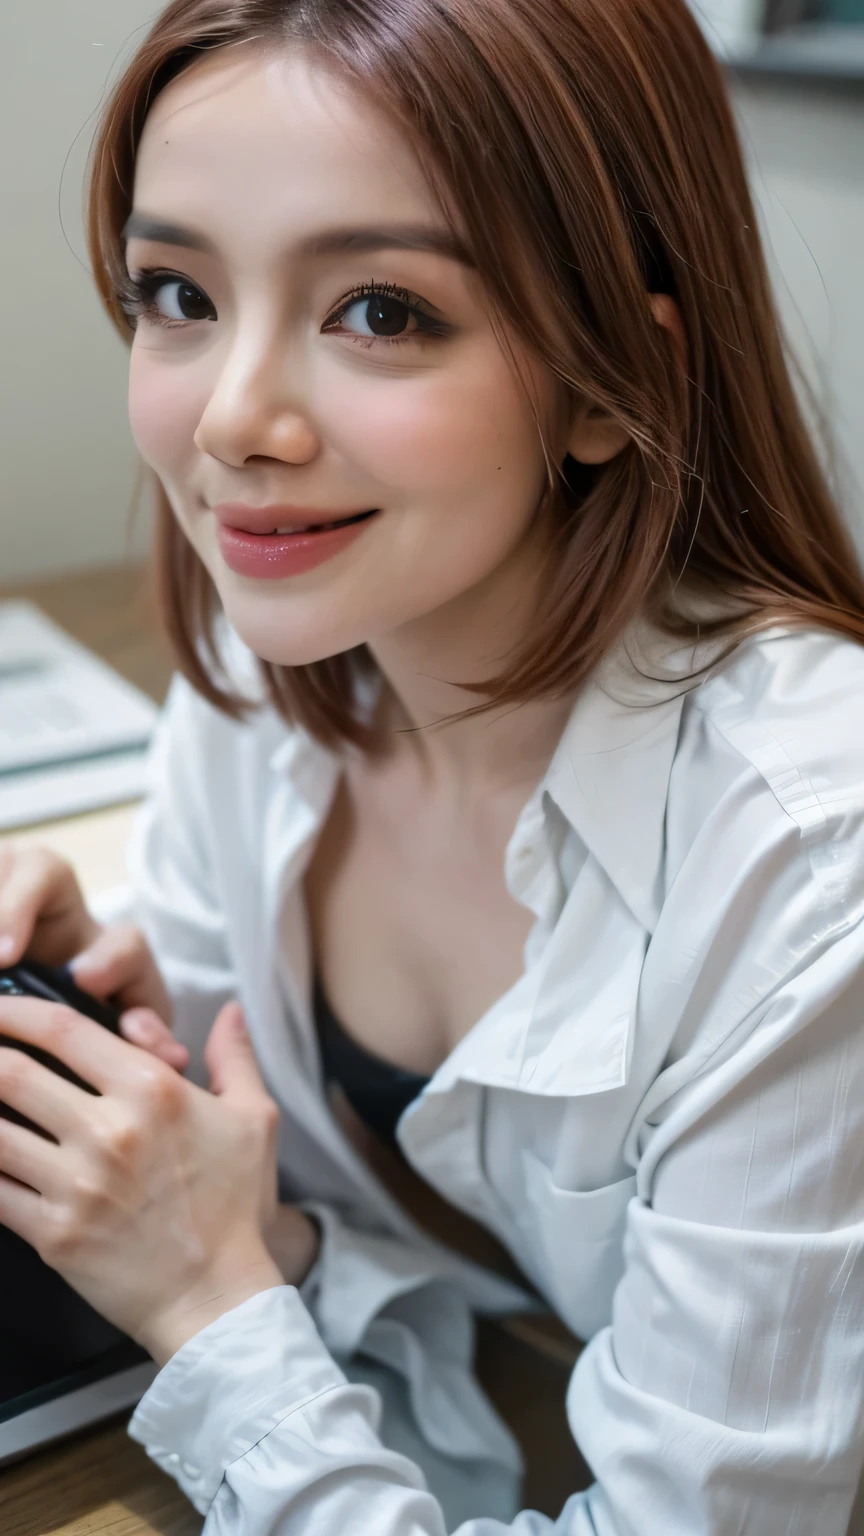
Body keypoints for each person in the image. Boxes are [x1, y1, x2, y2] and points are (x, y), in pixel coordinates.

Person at [2, 0, 864, 1528]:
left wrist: (212, 1304)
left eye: (382, 312)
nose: (232, 419)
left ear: (613, 383)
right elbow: (296, 1202)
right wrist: (123, 1034)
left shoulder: (814, 861)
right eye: (176, 290)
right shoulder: (262, 686)